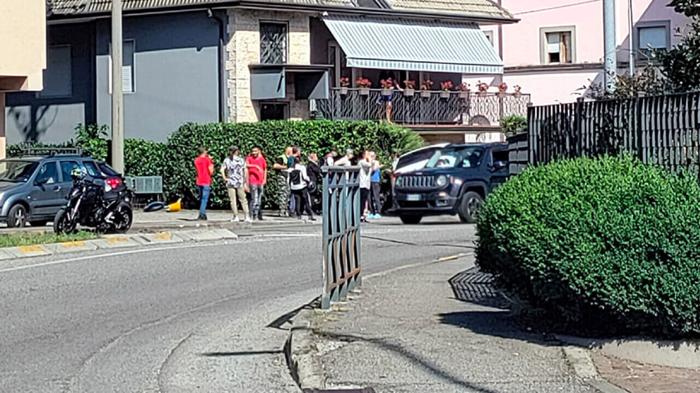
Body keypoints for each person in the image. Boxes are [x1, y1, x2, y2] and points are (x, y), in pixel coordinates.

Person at [220, 146, 251, 223]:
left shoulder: (227, 160)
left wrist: (225, 178)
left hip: (230, 181)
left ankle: (235, 216)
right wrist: (245, 182)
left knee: (233, 200)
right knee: (243, 199)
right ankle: (246, 216)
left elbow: (222, 170)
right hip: (239, 181)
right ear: (237, 151)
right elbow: (245, 171)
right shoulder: (241, 160)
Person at [288, 156, 316, 221]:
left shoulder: (290, 169)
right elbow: (305, 177)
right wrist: (310, 180)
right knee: (306, 201)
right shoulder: (302, 167)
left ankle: (298, 215)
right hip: (302, 186)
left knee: (297, 200)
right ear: (300, 161)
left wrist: (290, 186)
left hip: (294, 187)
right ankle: (310, 214)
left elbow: (288, 179)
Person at [246, 146, 267, 221]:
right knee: (254, 198)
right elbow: (246, 165)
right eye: (253, 151)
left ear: (259, 151)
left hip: (260, 181)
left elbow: (265, 169)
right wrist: (255, 166)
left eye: (255, 151)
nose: (254, 153)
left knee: (259, 199)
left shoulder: (262, 159)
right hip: (253, 180)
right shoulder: (249, 158)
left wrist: (265, 179)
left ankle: (257, 214)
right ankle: (253, 214)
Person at [194, 147, 214, 220]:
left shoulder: (196, 160)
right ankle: (201, 214)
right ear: (204, 152)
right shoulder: (207, 160)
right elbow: (211, 171)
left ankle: (203, 214)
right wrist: (211, 161)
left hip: (199, 180)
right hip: (206, 180)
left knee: (202, 198)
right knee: (204, 199)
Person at [273, 146, 293, 216]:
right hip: (282, 178)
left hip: (288, 178)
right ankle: (282, 210)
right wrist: (285, 167)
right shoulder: (281, 158)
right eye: (291, 151)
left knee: (288, 194)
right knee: (283, 194)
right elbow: (275, 166)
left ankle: (286, 210)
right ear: (288, 152)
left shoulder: (291, 158)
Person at [358, 150, 373, 222]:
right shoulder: (362, 162)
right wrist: (370, 159)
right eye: (367, 154)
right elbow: (369, 165)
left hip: (366, 184)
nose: (369, 155)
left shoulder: (366, 162)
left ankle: (362, 215)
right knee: (362, 200)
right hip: (362, 184)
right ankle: (360, 215)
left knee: (364, 201)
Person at [369, 151, 383, 219]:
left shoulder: (376, 162)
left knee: (376, 196)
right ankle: (371, 212)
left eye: (372, 156)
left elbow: (373, 169)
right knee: (369, 197)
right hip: (369, 181)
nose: (371, 157)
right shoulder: (369, 162)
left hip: (375, 181)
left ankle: (378, 212)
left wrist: (371, 164)